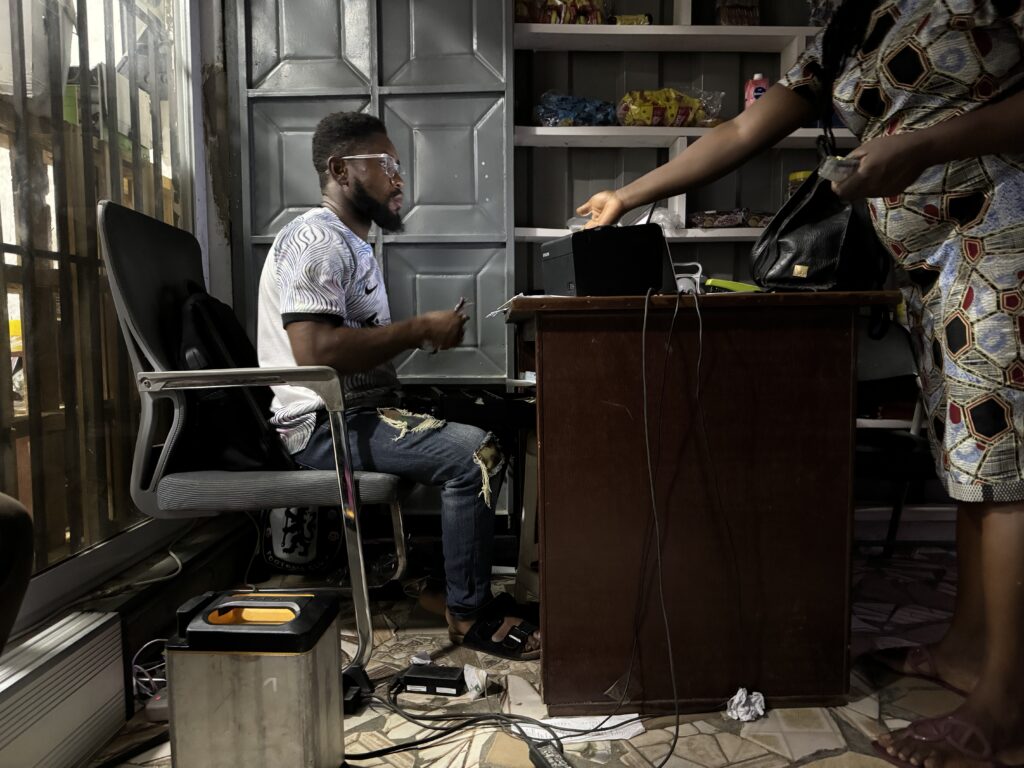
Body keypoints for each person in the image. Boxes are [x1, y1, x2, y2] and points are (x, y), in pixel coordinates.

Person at [577, 1, 1024, 765]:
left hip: (1004, 236)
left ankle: (1005, 699)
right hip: (928, 267)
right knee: (973, 462)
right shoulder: (852, 27)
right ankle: (967, 648)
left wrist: (925, 145)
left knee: (1009, 472)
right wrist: (632, 194)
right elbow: (744, 130)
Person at [257, 111, 540, 661]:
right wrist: (415, 331)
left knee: (505, 417)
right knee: (474, 454)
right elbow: (314, 351)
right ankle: (467, 613)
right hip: (323, 426)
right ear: (341, 169)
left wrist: (417, 337)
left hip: (358, 409)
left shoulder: (352, 244)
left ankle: (472, 581)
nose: (399, 180)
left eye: (399, 167)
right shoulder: (316, 239)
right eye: (386, 166)